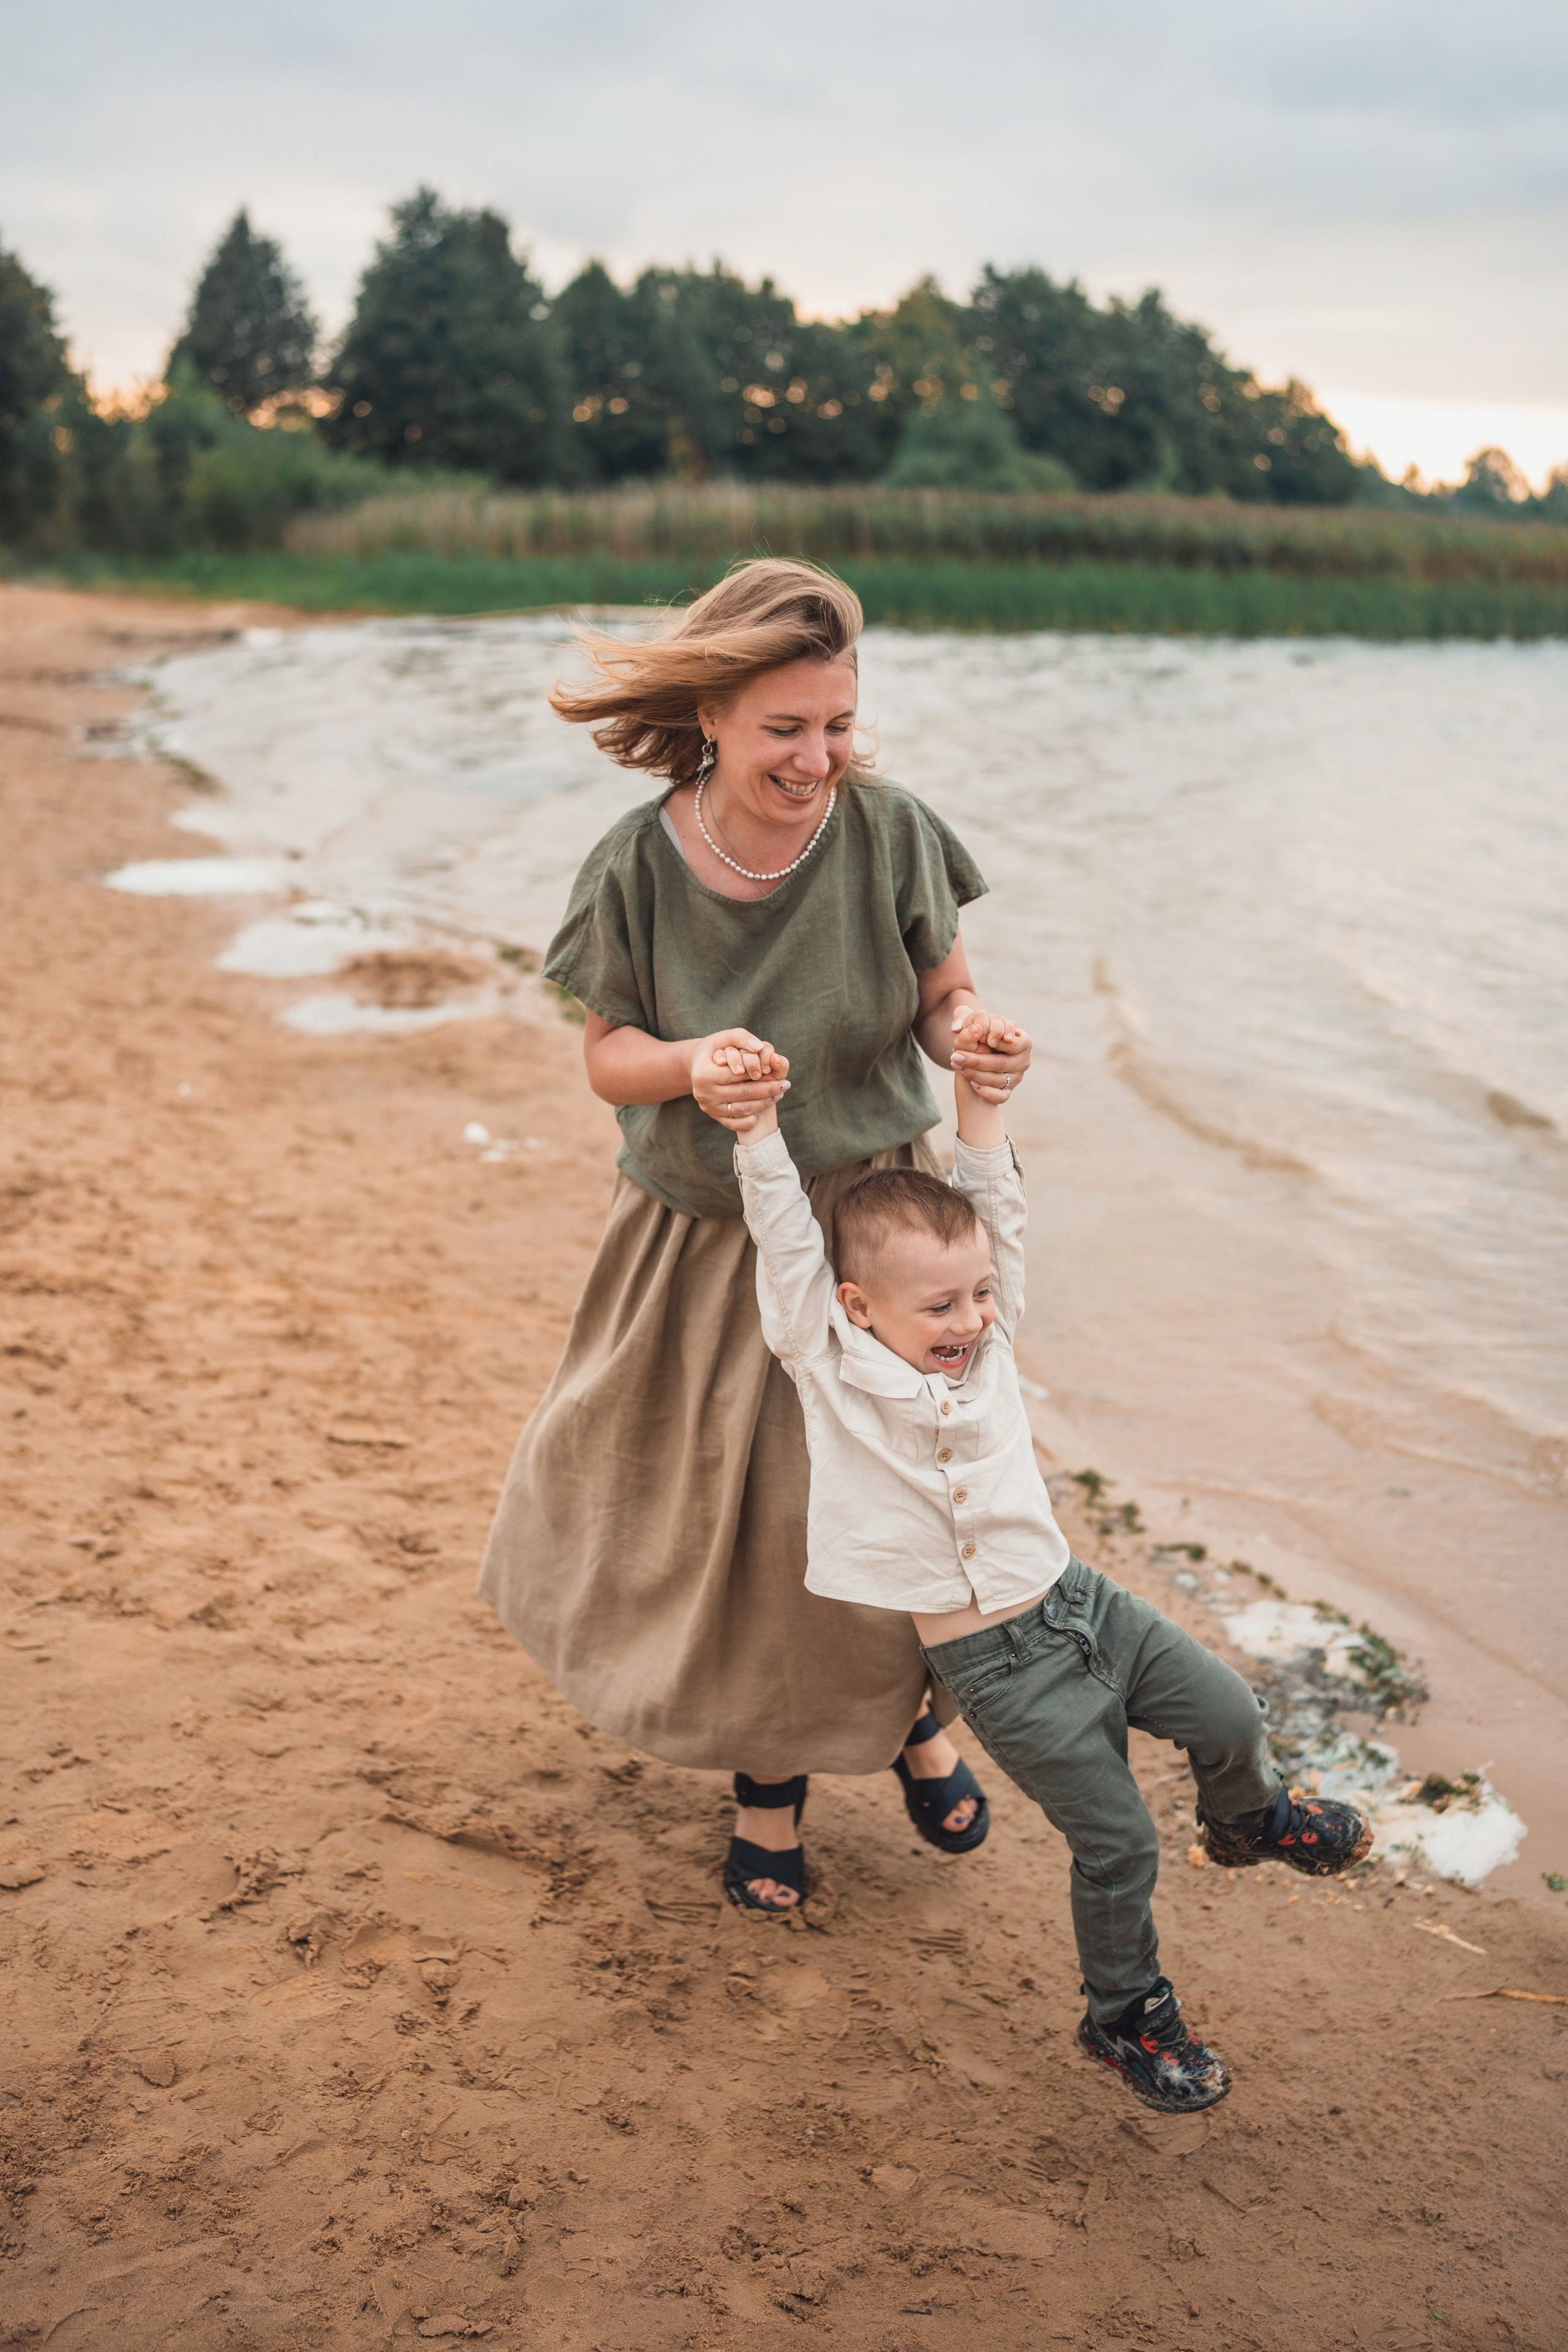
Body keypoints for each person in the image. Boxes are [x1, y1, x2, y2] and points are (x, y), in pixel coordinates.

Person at [480, 558, 1033, 1912]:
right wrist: (691, 1071)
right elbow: (608, 1056)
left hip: (882, 1238)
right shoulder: (632, 865)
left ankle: (906, 1720)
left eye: (835, 725)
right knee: (753, 1519)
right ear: (714, 714)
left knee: (915, 1496)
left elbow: (937, 994)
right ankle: (775, 1781)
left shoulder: (892, 831)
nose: (817, 757)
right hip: (711, 1240)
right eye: (786, 729)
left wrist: (977, 1043)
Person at [731, 1012, 1372, 2113]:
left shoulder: (992, 1333)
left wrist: (984, 1100)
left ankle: (1247, 1818)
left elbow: (997, 1209)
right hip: (996, 1664)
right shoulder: (826, 1366)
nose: (971, 1320)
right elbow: (787, 1241)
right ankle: (1124, 2017)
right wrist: (753, 1131)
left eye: (978, 1297)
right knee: (1117, 1841)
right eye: (940, 1306)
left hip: (1088, 1604)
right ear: (856, 1311)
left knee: (1229, 1714)